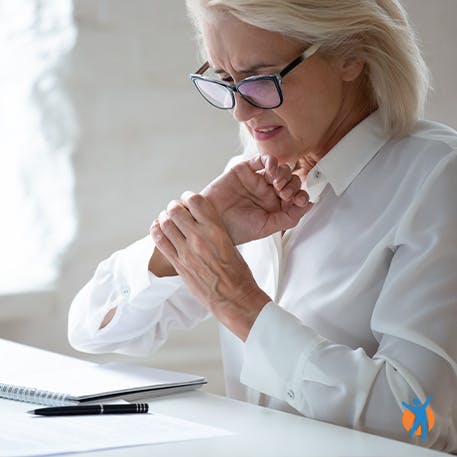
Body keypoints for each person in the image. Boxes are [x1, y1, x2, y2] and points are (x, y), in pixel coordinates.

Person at [68, 0, 457, 452]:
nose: (240, 112)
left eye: (259, 77)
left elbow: (419, 422)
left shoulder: (437, 179)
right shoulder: (256, 177)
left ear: (351, 53)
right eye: (227, 81)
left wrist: (238, 303)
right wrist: (189, 236)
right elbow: (92, 330)